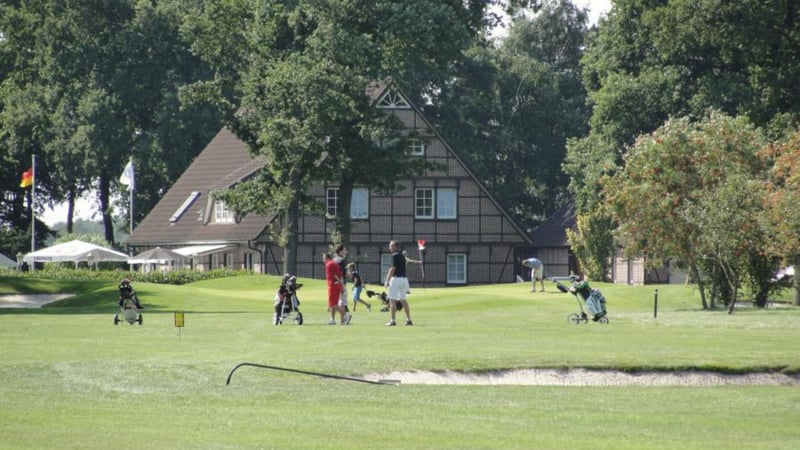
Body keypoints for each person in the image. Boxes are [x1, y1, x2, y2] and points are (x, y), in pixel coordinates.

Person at [384, 240, 413, 326]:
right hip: (404, 280)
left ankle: (392, 321)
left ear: (396, 247)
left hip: (396, 280)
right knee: (403, 300)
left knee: (392, 300)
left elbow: (393, 269)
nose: (389, 247)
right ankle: (408, 319)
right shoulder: (402, 256)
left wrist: (387, 281)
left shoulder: (395, 256)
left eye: (391, 246)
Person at [324, 253, 350, 325]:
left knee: (333, 304)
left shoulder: (329, 264)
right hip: (336, 285)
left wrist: (339, 282)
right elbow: (340, 273)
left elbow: (334, 275)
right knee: (332, 303)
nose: (323, 259)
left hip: (333, 285)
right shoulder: (334, 263)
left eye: (324, 257)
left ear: (326, 257)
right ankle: (332, 320)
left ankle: (345, 315)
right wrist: (340, 284)